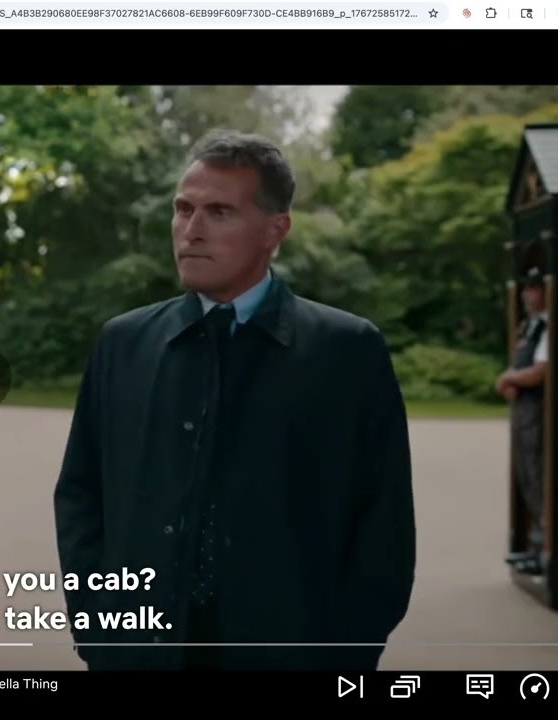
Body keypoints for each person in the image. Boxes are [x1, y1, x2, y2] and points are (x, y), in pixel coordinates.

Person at [53, 131, 416, 671]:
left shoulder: (347, 350)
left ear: (276, 229)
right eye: (183, 209)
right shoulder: (123, 343)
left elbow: (384, 525)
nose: (191, 230)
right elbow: (82, 497)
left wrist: (345, 652)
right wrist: (99, 629)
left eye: (219, 212)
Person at [497, 267, 550, 575]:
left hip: (537, 411)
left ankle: (543, 550)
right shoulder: (530, 326)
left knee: (538, 475)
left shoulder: (548, 327)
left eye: (535, 288)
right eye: (527, 288)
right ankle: (534, 546)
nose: (528, 295)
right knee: (527, 476)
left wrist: (509, 378)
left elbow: (540, 371)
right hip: (523, 408)